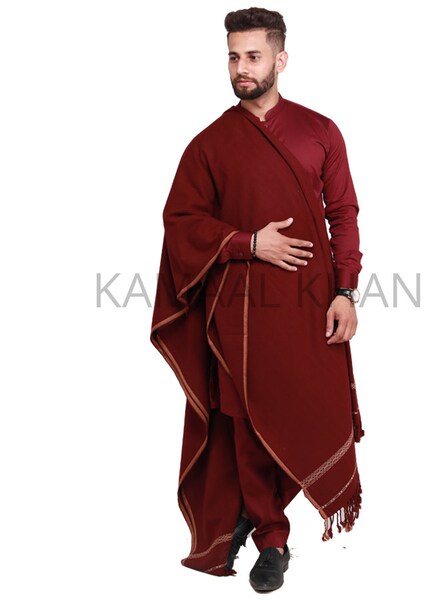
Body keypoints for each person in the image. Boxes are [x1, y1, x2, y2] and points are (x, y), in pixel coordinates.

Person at [150, 7, 364, 593]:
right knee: (245, 419)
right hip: (239, 310)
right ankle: (271, 536)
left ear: (280, 59)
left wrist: (345, 291)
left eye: (253, 56)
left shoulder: (321, 131)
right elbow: (181, 222)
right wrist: (248, 242)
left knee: (308, 409)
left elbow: (343, 213)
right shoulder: (209, 144)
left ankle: (263, 508)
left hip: (312, 304)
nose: (241, 68)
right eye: (233, 57)